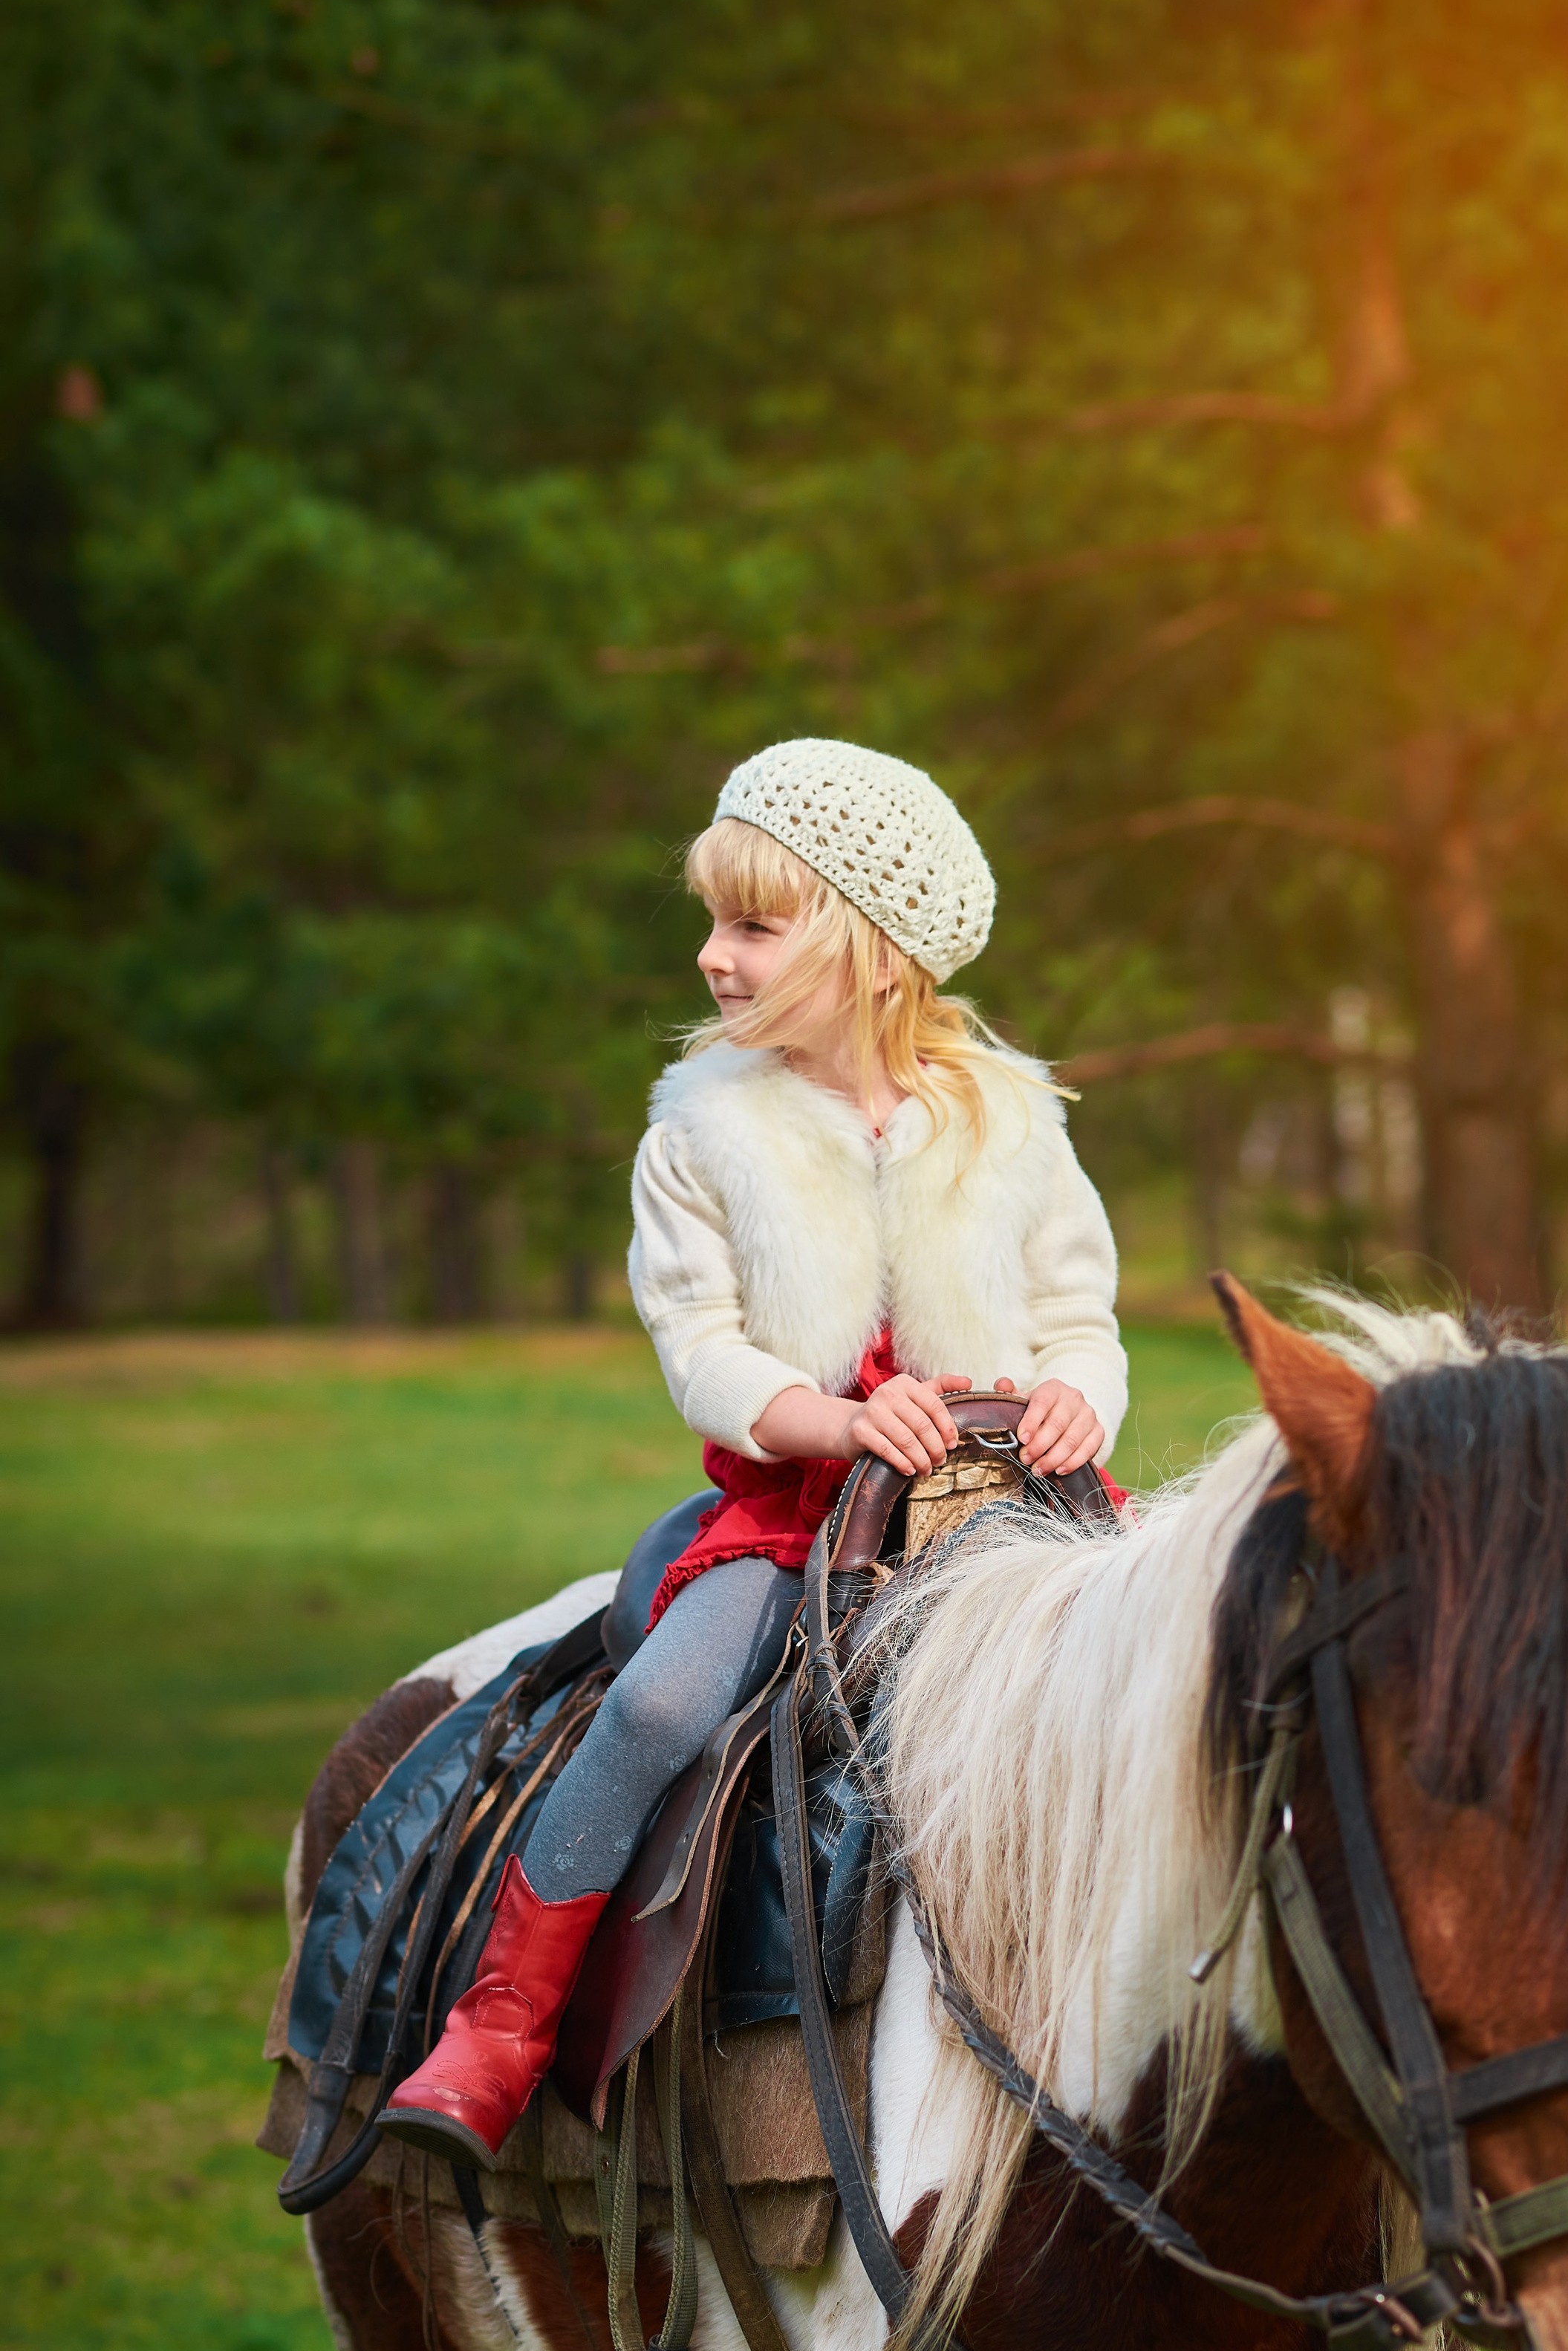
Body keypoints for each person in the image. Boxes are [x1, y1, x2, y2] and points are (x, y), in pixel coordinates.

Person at [377, 738, 1128, 2171]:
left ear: (872, 950)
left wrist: (1076, 1397)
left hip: (1000, 1516)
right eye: (714, 922)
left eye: (756, 925)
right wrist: (834, 1421)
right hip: (798, 1517)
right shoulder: (705, 1135)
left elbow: (1078, 1315)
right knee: (662, 1707)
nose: (714, 958)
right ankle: (501, 2023)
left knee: (1162, 1671)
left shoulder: (1009, 1124)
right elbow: (703, 1346)